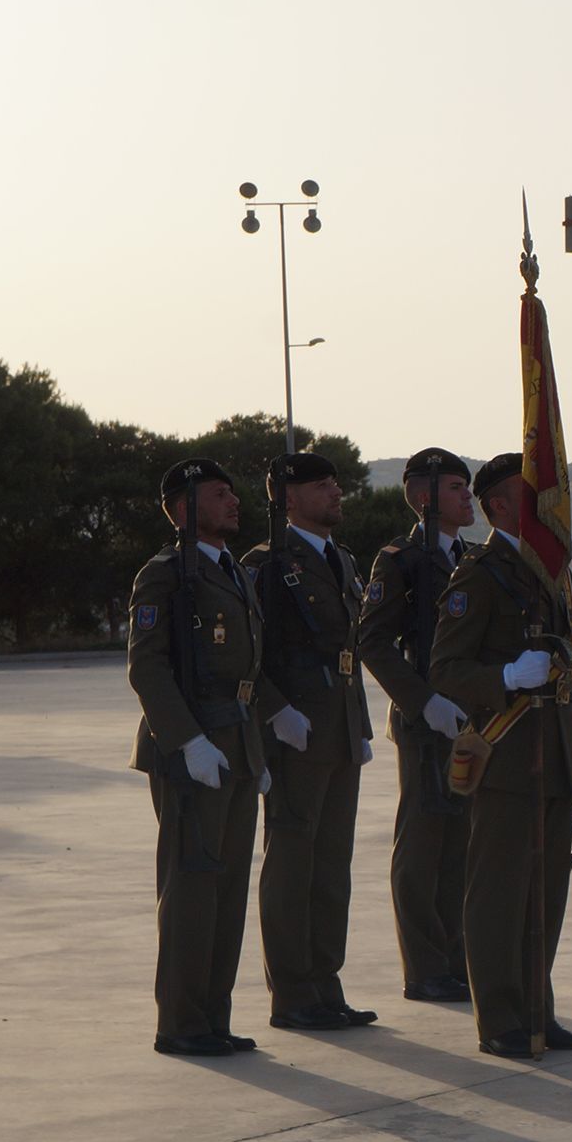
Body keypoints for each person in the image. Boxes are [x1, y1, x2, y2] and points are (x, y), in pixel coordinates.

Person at [429, 454, 572, 1058]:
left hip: (550, 755)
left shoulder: (550, 571)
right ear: (497, 505)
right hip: (505, 751)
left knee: (545, 893)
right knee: (498, 893)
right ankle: (499, 1018)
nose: (546, 505)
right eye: (530, 495)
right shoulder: (480, 574)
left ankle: (536, 1011)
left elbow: (564, 670)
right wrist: (503, 674)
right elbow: (445, 668)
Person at [128, 459, 280, 1057]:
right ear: (183, 507)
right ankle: (182, 1022)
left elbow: (250, 669)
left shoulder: (235, 575)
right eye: (221, 495)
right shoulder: (164, 574)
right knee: (191, 890)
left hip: (237, 744)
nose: (234, 503)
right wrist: (186, 740)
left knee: (226, 891)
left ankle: (213, 1016)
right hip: (192, 747)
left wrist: (257, 745)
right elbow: (147, 666)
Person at [243, 452, 376, 1032]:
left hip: (338, 729)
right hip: (296, 731)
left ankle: (326, 982)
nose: (336, 492)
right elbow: (251, 654)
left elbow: (348, 655)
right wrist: (276, 714)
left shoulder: (341, 560)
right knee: (293, 862)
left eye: (336, 483)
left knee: (332, 866)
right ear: (288, 498)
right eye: (322, 486)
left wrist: (360, 726)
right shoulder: (269, 565)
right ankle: (292, 992)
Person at [355, 446, 477, 1004]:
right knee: (423, 846)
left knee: (461, 847)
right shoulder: (400, 558)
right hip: (427, 722)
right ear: (425, 497)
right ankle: (424, 966)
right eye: (456, 487)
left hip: (472, 721)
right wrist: (421, 702)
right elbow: (373, 642)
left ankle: (455, 958)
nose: (466, 496)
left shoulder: (471, 559)